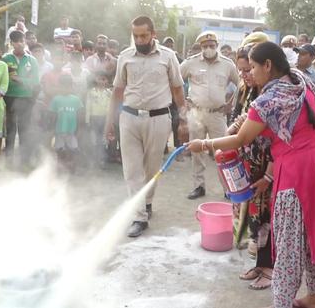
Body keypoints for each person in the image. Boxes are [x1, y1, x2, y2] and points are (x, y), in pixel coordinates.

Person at [187, 41, 315, 308]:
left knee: (288, 245)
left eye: (252, 67)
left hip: (299, 173)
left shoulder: (270, 99)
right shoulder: (300, 82)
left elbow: (241, 139)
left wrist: (204, 144)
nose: (249, 72)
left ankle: (282, 303)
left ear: (268, 65)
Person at [104, 16, 188, 238]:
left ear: (153, 34)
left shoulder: (168, 57)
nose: (139, 40)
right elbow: (117, 92)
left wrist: (184, 119)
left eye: (143, 35)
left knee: (151, 169)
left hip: (159, 119)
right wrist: (109, 122)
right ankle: (139, 216)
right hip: (129, 118)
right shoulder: (125, 57)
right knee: (132, 170)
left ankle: (147, 202)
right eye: (136, 36)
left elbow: (178, 90)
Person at [229, 43, 274, 291]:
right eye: (241, 70)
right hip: (249, 162)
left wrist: (268, 173)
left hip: (269, 166)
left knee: (268, 216)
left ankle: (269, 268)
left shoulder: (271, 94)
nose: (246, 75)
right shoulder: (247, 91)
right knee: (255, 216)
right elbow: (237, 123)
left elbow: (278, 138)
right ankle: (260, 263)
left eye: (249, 69)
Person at [180, 31, 239, 199]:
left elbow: (240, 84)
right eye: (205, 46)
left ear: (217, 46)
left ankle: (228, 188)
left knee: (223, 151)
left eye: (211, 46)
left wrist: (231, 104)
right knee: (197, 153)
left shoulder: (227, 64)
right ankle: (198, 187)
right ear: (200, 47)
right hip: (196, 113)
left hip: (217, 115)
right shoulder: (190, 63)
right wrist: (183, 100)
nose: (208, 49)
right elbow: (175, 80)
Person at [2, 30, 40, 160]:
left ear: (25, 42)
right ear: (11, 43)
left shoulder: (32, 60)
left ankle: (25, 159)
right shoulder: (5, 59)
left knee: (24, 129)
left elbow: (35, 82)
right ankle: (9, 158)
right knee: (10, 129)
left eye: (21, 41)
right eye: (16, 41)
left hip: (26, 98)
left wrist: (20, 80)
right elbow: (1, 80)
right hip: (9, 97)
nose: (19, 44)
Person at [50, 73, 84, 173]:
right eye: (63, 85)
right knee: (59, 150)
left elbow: (80, 115)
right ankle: (59, 167)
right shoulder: (56, 99)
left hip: (72, 131)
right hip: (59, 131)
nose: (66, 88)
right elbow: (53, 116)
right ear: (59, 86)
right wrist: (52, 129)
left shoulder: (76, 100)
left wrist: (80, 129)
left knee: (73, 149)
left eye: (68, 85)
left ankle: (72, 167)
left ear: (71, 86)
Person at [85, 71, 112, 167]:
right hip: (94, 118)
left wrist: (110, 121)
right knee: (93, 140)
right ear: (96, 79)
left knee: (103, 140)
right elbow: (88, 106)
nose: (101, 81)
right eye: (100, 79)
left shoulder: (109, 93)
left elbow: (111, 107)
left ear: (107, 81)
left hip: (105, 118)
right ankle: (93, 160)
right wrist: (87, 120)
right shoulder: (91, 92)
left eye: (104, 79)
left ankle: (102, 160)